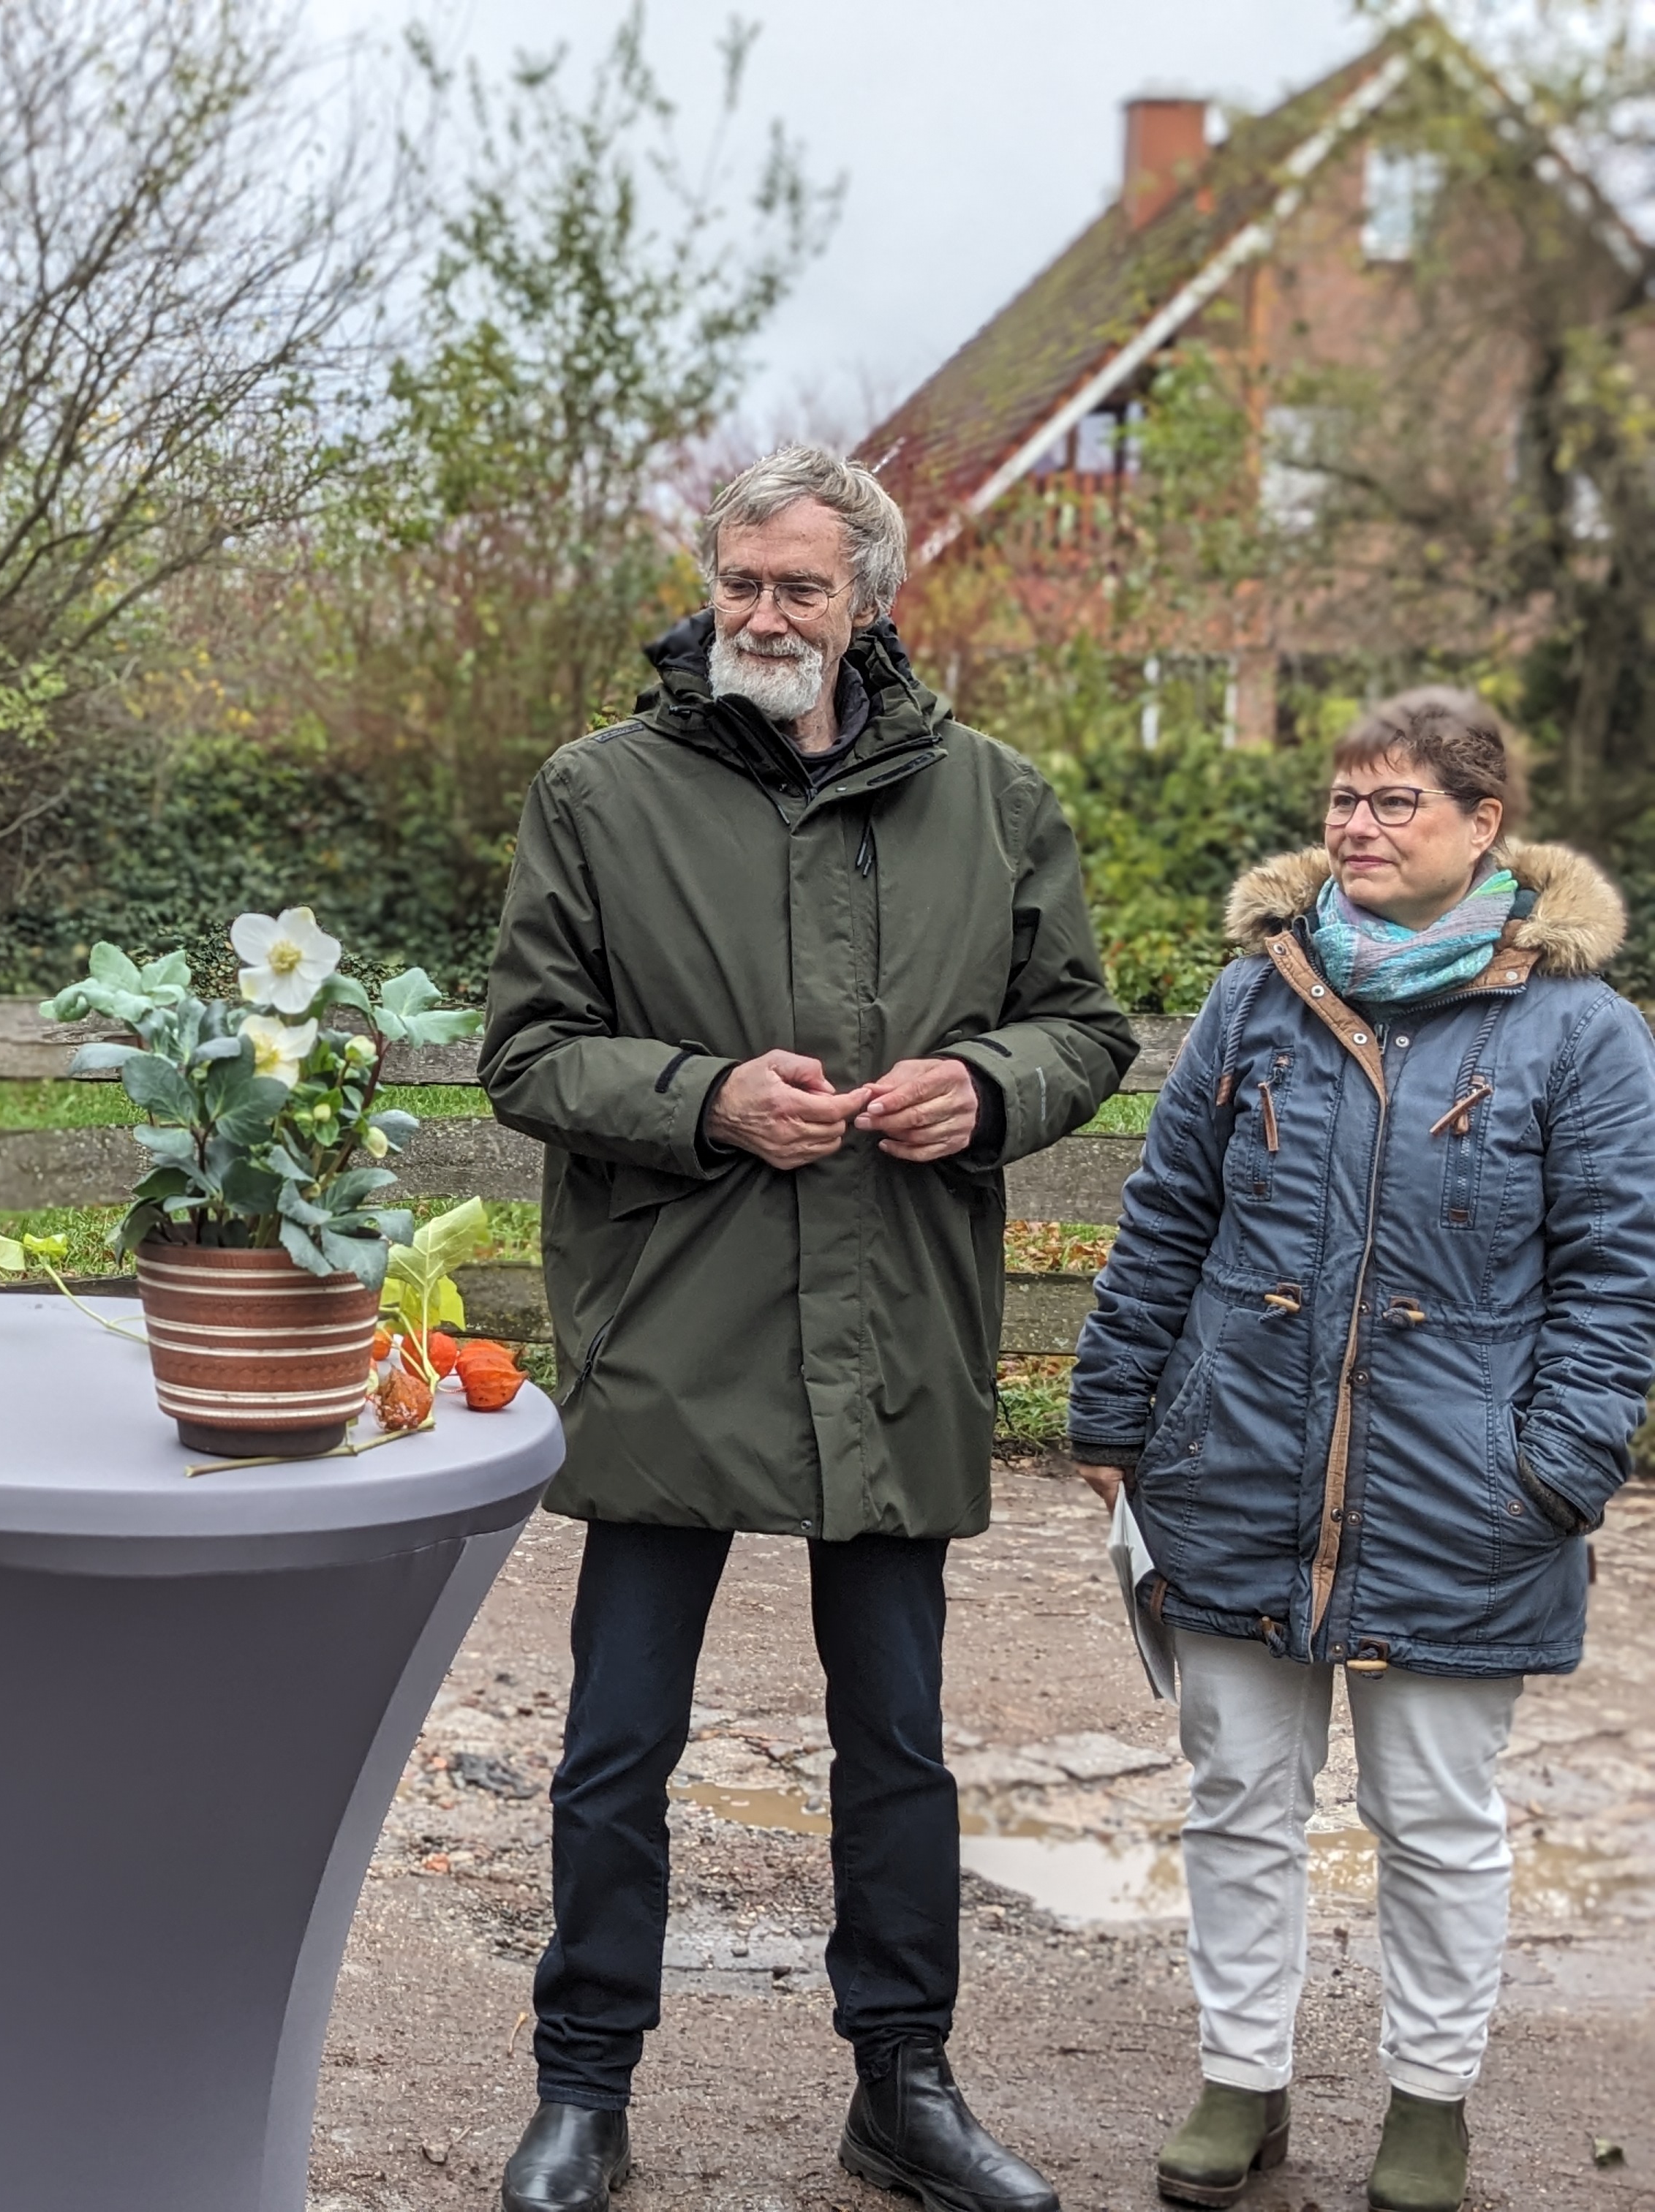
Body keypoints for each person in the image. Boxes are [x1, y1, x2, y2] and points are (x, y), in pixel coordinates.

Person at [480, 443, 1137, 2212]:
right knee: (620, 1739)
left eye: (803, 588)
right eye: (743, 582)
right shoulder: (598, 794)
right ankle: (584, 2093)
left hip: (893, 1323)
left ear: (871, 600)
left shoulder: (993, 800)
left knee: (898, 1742)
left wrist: (984, 1089)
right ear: (713, 585)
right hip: (674, 1318)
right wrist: (706, 1100)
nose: (766, 615)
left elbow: (1083, 1025)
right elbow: (527, 1053)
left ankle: (903, 2087)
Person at [1069, 690, 1655, 2212]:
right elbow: (1166, 1226)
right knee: (1238, 1793)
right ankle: (1240, 2081)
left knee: (1437, 1823)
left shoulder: (1579, 1030)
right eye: (1344, 799)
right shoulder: (1254, 1000)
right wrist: (1121, 1417)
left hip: (1463, 1501)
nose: (1359, 827)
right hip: (1238, 1471)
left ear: (1482, 829)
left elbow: (1614, 1273)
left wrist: (1556, 1471)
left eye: (1398, 804)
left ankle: (1428, 2106)